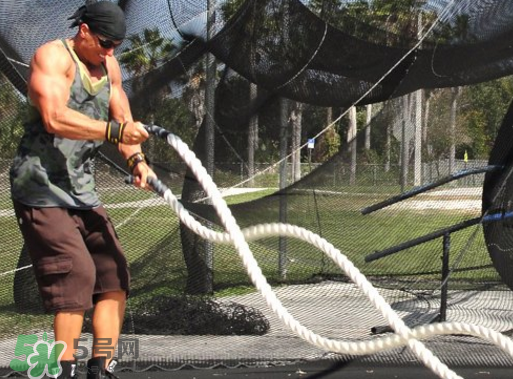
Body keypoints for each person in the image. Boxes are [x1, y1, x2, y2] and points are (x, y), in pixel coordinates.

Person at [9, 1, 155, 378]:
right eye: (106, 43)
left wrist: (136, 159)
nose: (110, 52)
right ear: (84, 30)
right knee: (76, 276)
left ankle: (101, 365)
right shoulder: (53, 57)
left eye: (117, 46)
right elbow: (55, 116)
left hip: (81, 188)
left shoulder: (109, 65)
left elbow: (123, 119)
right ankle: (63, 367)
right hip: (40, 188)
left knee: (114, 276)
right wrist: (114, 133)